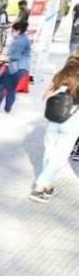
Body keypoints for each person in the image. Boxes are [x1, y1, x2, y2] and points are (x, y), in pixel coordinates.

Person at [30, 57, 79, 202]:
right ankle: (40, 186)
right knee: (60, 156)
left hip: (53, 118)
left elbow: (45, 95)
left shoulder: (60, 75)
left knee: (49, 152)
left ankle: (48, 186)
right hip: (72, 120)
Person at [0, 21, 31, 113]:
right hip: (22, 68)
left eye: (13, 31)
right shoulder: (25, 38)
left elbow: (15, 56)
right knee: (11, 88)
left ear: (18, 31)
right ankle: (7, 107)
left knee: (0, 85)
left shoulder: (19, 41)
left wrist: (4, 57)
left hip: (15, 68)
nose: (11, 33)